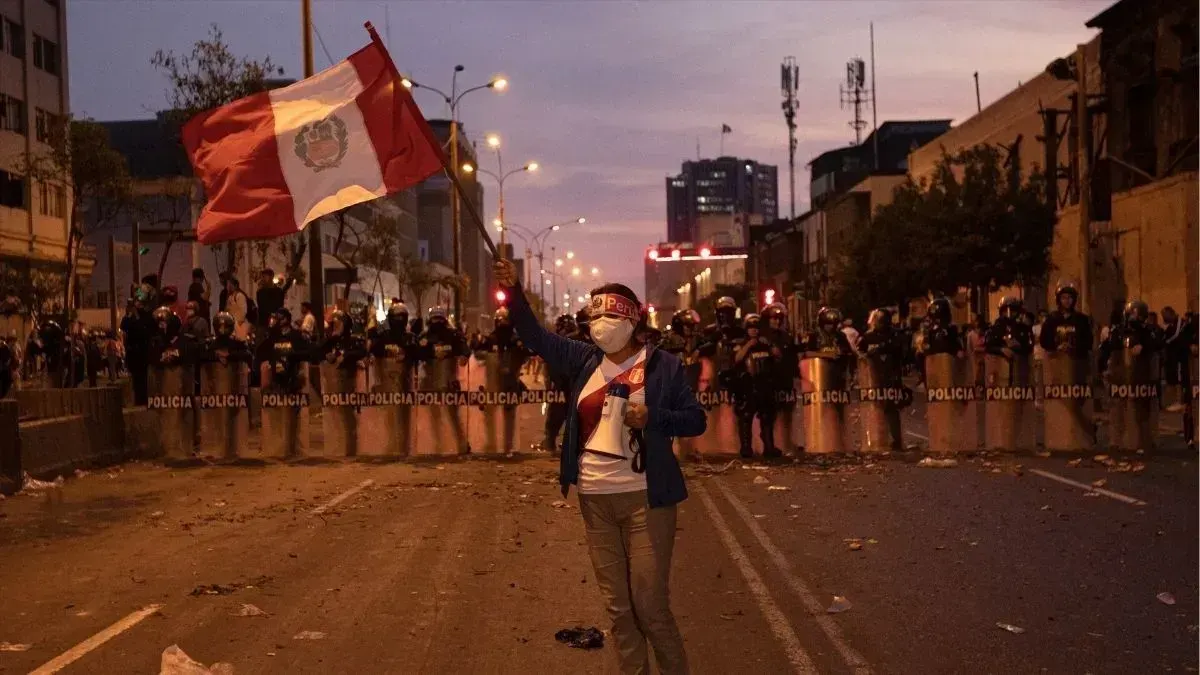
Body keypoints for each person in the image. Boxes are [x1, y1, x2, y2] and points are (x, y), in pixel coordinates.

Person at [495, 257, 703, 675]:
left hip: (648, 501)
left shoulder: (664, 366)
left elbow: (695, 419)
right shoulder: (583, 359)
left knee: (650, 607)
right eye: (595, 315)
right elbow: (534, 336)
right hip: (596, 501)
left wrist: (654, 418)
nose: (600, 323)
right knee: (620, 611)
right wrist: (515, 293)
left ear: (632, 320)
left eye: (609, 314)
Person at [733, 313, 782, 459]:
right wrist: (749, 345)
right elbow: (737, 359)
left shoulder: (766, 343)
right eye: (751, 328)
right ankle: (746, 448)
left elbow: (777, 355)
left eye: (756, 328)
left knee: (767, 416)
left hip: (765, 384)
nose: (754, 331)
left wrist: (770, 346)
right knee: (746, 416)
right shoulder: (741, 343)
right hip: (748, 384)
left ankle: (769, 446)